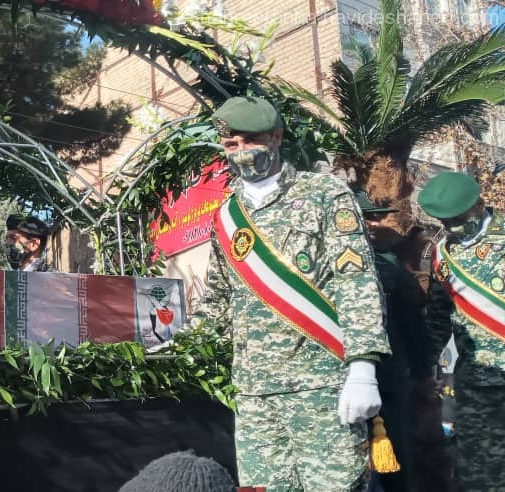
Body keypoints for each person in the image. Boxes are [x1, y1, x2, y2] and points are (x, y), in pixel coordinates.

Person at [191, 96, 391, 491]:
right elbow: (219, 297)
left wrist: (363, 367)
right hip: (254, 393)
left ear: (277, 137)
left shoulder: (323, 193)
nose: (241, 151)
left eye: (251, 140)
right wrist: (181, 342)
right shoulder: (226, 216)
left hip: (320, 384)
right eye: (231, 144)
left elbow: (356, 282)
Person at [420, 172, 504, 492]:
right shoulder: (443, 254)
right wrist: (434, 365)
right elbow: (439, 317)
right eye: (446, 221)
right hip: (477, 382)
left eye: (459, 218)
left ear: (479, 204)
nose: (453, 227)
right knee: (480, 470)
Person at [356, 191, 429, 492]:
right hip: (333, 382)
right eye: (365, 217)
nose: (373, 223)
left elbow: (412, 324)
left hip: (388, 378)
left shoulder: (389, 265)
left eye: (375, 217)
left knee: (396, 459)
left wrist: (423, 373)